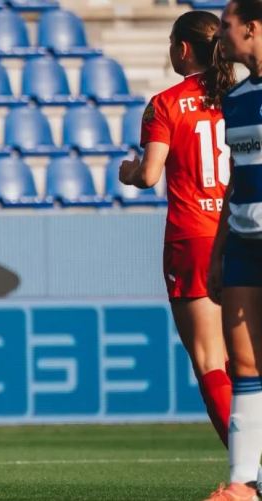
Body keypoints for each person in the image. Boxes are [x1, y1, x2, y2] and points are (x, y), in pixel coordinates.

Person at [119, 10, 236, 450]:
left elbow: (150, 174)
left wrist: (129, 171)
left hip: (194, 237)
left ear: (183, 49)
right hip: (242, 232)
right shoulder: (241, 98)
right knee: (245, 362)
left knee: (210, 360)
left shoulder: (166, 103)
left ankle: (251, 470)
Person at [205, 0, 262, 499]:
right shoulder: (237, 98)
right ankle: (243, 484)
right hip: (243, 243)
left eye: (226, 25)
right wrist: (218, 250)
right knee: (243, 364)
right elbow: (236, 181)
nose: (220, 34)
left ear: (252, 28)